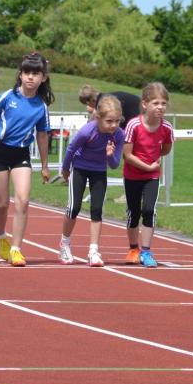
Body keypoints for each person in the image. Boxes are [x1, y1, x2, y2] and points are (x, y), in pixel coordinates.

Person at [0, 52, 53, 267]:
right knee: (3, 203)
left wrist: (44, 165)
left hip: (21, 154)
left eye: (36, 73)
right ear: (20, 74)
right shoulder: (7, 97)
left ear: (43, 78)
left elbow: (42, 136)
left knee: (23, 200)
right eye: (27, 72)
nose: (30, 77)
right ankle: (1, 237)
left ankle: (16, 249)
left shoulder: (41, 106)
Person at [57, 95, 124, 267]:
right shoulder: (88, 131)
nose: (114, 125)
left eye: (117, 121)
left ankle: (93, 251)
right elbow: (71, 148)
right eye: (109, 121)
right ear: (98, 118)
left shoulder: (119, 135)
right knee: (74, 207)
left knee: (97, 209)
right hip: (80, 167)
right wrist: (65, 169)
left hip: (99, 170)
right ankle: (65, 243)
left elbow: (115, 165)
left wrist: (110, 155)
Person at [122, 82, 174, 268]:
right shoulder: (134, 125)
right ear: (145, 104)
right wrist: (147, 166)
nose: (160, 107)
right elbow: (127, 155)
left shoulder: (166, 127)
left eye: (163, 103)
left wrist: (153, 165)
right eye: (156, 103)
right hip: (133, 175)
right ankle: (133, 248)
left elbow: (166, 148)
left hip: (152, 176)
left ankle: (146, 251)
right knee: (133, 212)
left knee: (149, 210)